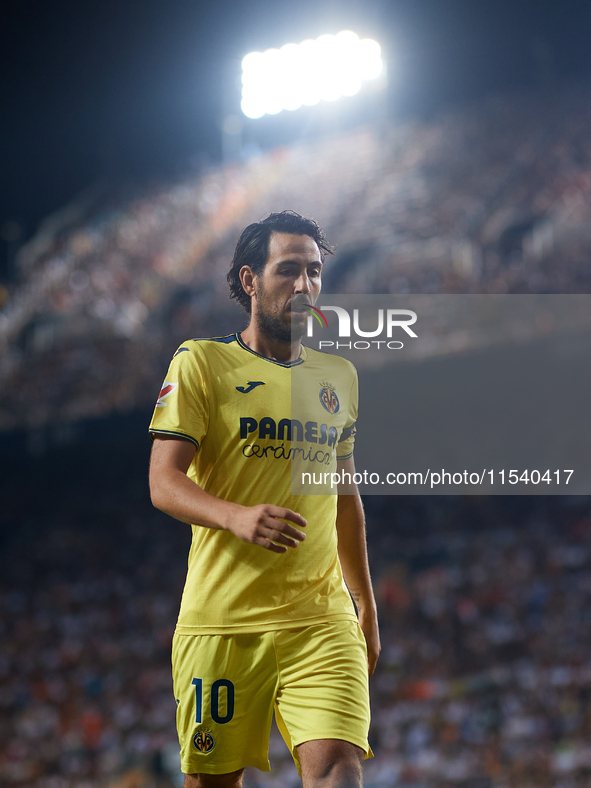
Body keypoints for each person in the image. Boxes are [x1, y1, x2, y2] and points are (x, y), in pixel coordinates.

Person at [148, 210, 380, 788]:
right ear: (251, 280)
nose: (305, 287)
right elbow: (163, 482)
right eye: (289, 270)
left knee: (338, 770)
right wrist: (236, 516)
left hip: (321, 620)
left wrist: (365, 603)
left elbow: (344, 496)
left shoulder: (338, 377)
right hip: (224, 620)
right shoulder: (201, 362)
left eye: (316, 272)